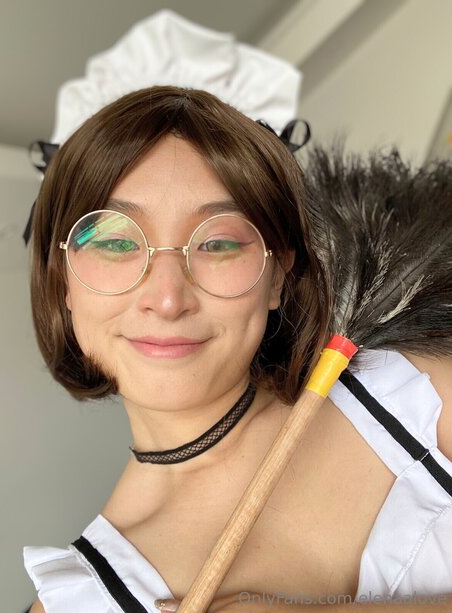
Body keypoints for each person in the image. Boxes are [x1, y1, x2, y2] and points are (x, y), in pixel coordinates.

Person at [23, 86, 452, 613]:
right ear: (62, 279)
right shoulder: (78, 602)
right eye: (115, 241)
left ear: (278, 275)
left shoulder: (412, 394)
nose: (167, 299)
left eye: (218, 243)